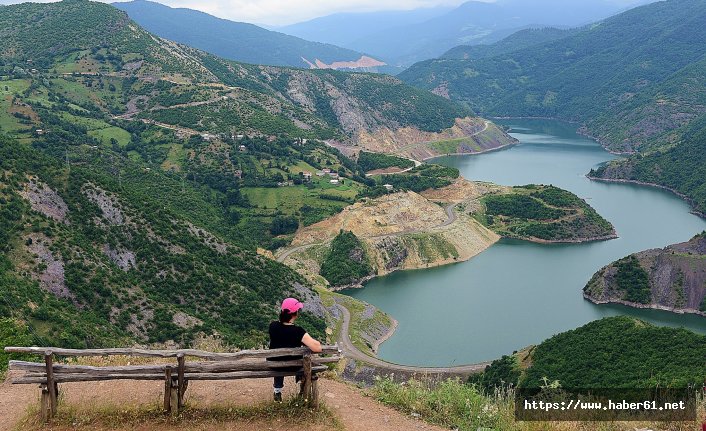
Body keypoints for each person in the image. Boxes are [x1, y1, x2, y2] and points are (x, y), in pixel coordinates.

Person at [268, 297, 322, 402]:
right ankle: (302, 389)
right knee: (304, 362)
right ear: (295, 314)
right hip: (293, 366)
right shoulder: (298, 331)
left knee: (280, 360)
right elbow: (317, 348)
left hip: (274, 364)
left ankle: (277, 391)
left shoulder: (273, 326)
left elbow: (281, 334)